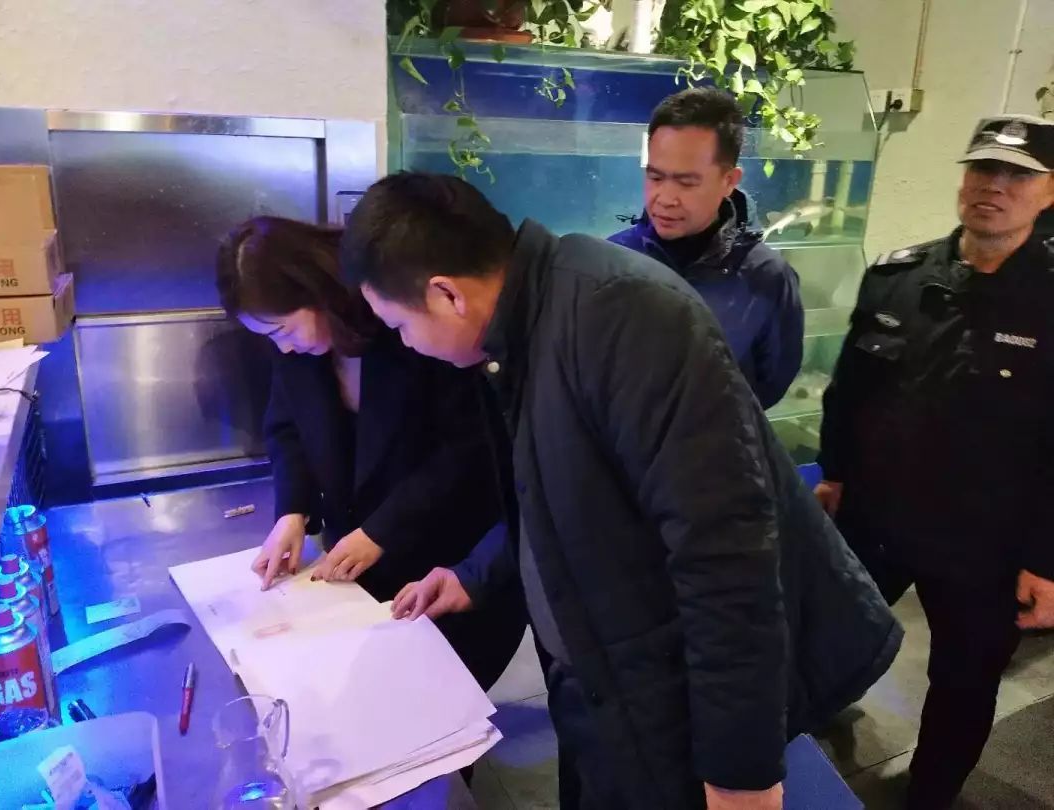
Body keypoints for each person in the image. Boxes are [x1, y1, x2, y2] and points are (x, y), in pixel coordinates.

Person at [339, 172, 902, 810]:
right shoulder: (523, 330)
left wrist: (741, 771)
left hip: (667, 692)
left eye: (399, 325)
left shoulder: (623, 315)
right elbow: (555, 492)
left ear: (447, 294)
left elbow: (728, 556)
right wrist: (476, 575)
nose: (407, 344)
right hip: (600, 680)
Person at [815, 114, 1054, 810]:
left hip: (986, 545)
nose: (993, 186)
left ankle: (930, 796)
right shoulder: (899, 276)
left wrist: (1045, 561)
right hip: (876, 519)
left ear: (1049, 191)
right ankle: (789, 748)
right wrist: (834, 473)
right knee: (823, 637)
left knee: (963, 683)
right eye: (983, 169)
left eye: (1017, 175)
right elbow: (848, 390)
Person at [214, 216, 526, 690]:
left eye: (283, 329)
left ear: (316, 291)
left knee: (438, 697)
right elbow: (286, 429)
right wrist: (293, 511)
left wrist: (381, 530)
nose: (284, 348)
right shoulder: (296, 355)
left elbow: (468, 450)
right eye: (271, 338)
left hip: (450, 553)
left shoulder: (409, 326)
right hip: (360, 565)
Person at [609, 87, 804, 408]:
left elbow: (772, 381)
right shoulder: (613, 259)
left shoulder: (768, 277)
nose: (665, 198)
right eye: (655, 178)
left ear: (729, 181)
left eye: (686, 183)